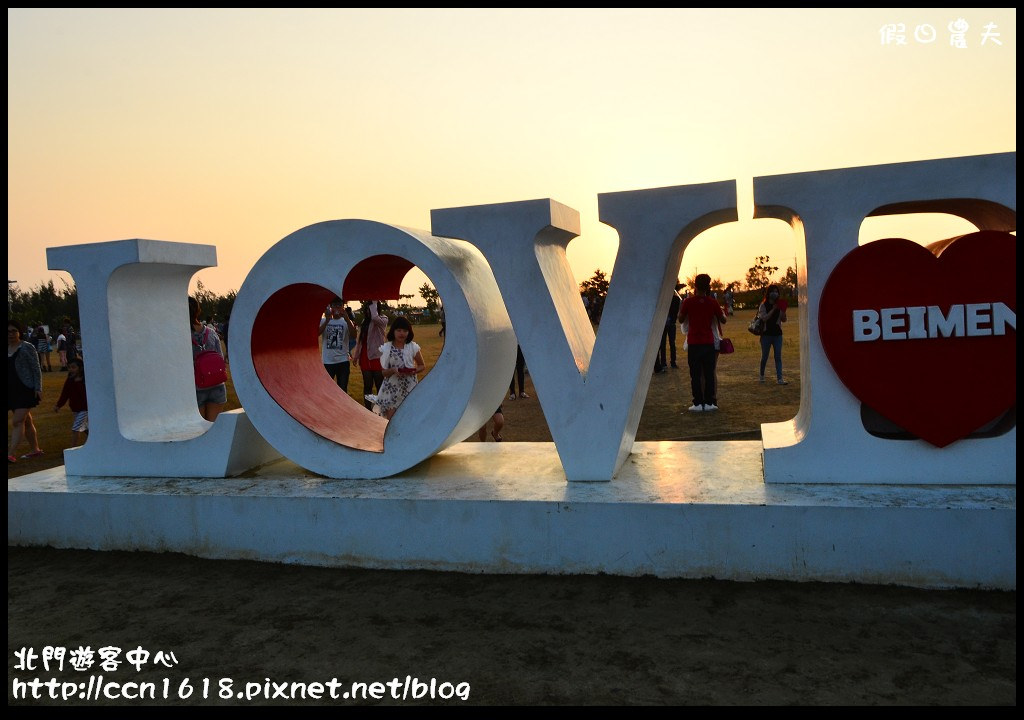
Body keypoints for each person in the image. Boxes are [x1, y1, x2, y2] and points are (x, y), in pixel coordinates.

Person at [677, 273, 727, 412]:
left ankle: (698, 403)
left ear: (695, 285)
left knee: (695, 374)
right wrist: (721, 313)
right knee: (709, 373)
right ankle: (710, 402)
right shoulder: (712, 302)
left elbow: (681, 319)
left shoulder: (688, 302)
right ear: (708, 287)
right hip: (708, 342)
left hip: (694, 342)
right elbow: (723, 320)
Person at [365, 316, 425, 420]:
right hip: (391, 389)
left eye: (405, 331)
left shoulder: (412, 347)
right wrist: (393, 370)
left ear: (409, 332)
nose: (402, 333)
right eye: (399, 330)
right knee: (392, 421)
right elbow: (383, 373)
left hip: (409, 387)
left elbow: (422, 365)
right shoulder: (386, 348)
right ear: (393, 331)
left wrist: (413, 371)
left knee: (408, 418)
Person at [8, 319, 44, 463]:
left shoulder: (27, 347)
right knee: (26, 421)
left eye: (14, 331)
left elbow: (36, 369)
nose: (10, 334)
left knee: (17, 421)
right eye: (8, 331)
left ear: (19, 332)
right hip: (11, 391)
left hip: (26, 389)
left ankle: (10, 454)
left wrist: (38, 387)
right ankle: (35, 450)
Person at [189, 296, 227, 421]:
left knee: (200, 431)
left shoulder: (181, 335)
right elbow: (220, 358)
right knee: (212, 428)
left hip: (196, 388)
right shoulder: (211, 332)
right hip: (217, 386)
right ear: (198, 311)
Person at [352, 300, 389, 410]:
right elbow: (360, 341)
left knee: (379, 385)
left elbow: (375, 318)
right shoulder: (365, 321)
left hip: (377, 357)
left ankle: (382, 408)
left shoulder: (383, 319)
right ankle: (368, 409)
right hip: (365, 357)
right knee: (367, 385)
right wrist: (356, 355)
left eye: (371, 308)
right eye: (367, 309)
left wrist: (374, 301)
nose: (368, 311)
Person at [319, 296, 356, 392]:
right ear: (330, 307)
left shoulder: (346, 322)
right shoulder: (324, 321)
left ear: (343, 307)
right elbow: (316, 333)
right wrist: (327, 320)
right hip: (327, 361)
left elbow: (354, 335)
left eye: (339, 306)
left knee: (342, 390)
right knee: (327, 390)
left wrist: (348, 319)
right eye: (334, 306)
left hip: (343, 361)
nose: (337, 308)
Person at [757, 284, 789, 385]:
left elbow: (784, 320)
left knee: (778, 357)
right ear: (768, 293)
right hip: (766, 335)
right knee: (764, 357)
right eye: (772, 291)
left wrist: (783, 311)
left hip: (777, 335)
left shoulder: (780, 304)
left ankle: (780, 378)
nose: (775, 293)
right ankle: (762, 375)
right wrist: (773, 309)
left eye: (776, 291)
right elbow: (764, 318)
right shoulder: (763, 305)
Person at [54, 356, 88, 446]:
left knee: (75, 428)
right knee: (84, 427)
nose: (71, 369)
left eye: (73, 367)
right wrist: (58, 405)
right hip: (75, 408)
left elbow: (86, 395)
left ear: (80, 368)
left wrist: (79, 383)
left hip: (84, 408)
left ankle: (73, 448)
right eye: (69, 367)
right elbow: (65, 393)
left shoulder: (85, 381)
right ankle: (94, 440)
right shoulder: (70, 380)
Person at [655, 284, 683, 373]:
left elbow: (674, 311)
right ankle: (667, 362)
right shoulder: (674, 299)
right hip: (666, 324)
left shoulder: (674, 300)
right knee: (666, 344)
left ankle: (670, 362)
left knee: (670, 343)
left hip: (669, 323)